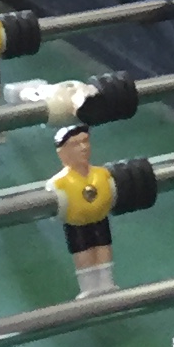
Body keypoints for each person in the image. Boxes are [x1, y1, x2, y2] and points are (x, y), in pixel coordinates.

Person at [45, 121, 119, 298]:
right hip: (76, 223)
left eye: (85, 141)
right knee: (83, 250)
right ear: (62, 152)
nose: (83, 148)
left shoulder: (102, 174)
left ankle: (106, 282)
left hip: (100, 218)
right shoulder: (59, 182)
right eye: (75, 144)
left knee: (103, 246)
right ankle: (88, 287)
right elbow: (53, 209)